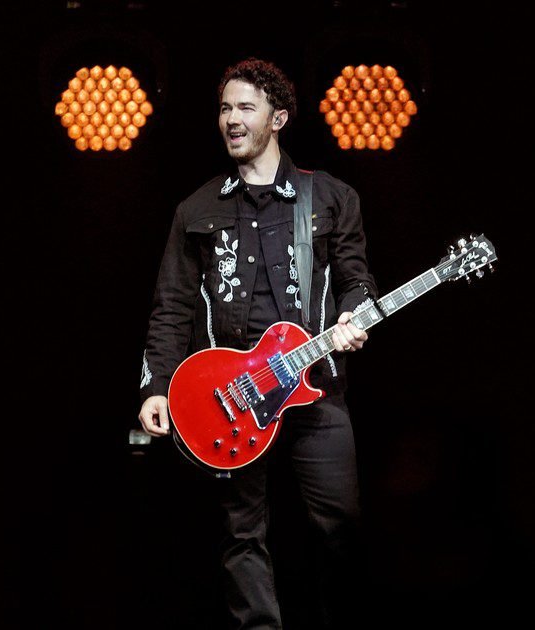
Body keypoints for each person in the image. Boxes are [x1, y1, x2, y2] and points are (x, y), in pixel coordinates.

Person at [138, 58, 376, 628]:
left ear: (278, 118)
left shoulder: (329, 196)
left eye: (246, 107)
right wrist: (156, 386)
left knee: (340, 528)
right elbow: (171, 305)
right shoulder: (197, 209)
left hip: (315, 388)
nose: (232, 119)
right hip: (233, 398)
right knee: (240, 534)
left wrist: (353, 315)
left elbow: (356, 279)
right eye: (225, 108)